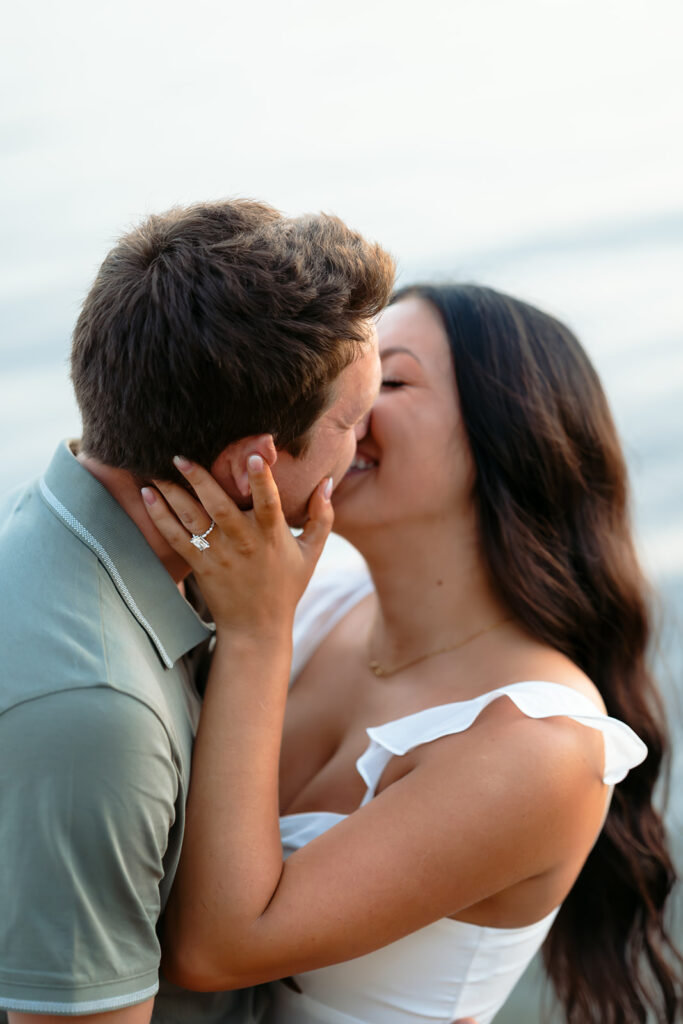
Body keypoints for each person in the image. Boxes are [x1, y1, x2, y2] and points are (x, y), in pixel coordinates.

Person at [146, 285, 682, 1023]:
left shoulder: (538, 745)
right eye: (341, 377)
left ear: (511, 433)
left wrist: (256, 635)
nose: (341, 406)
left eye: (388, 381)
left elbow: (214, 950)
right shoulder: (319, 594)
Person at [0, 198, 396, 1023]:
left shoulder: (55, 530)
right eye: (350, 420)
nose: (367, 440)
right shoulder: (97, 712)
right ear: (250, 466)